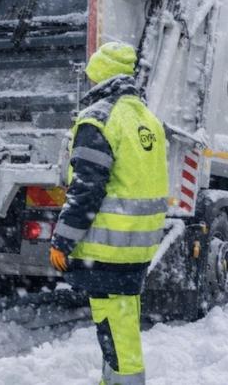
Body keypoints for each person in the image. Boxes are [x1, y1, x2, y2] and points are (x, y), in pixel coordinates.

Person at [49, 42, 169, 384]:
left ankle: (125, 381)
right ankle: (114, 379)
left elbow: (86, 189)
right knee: (123, 318)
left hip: (106, 245)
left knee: (112, 325)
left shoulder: (98, 119)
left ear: (99, 76)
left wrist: (62, 240)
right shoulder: (147, 118)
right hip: (138, 244)